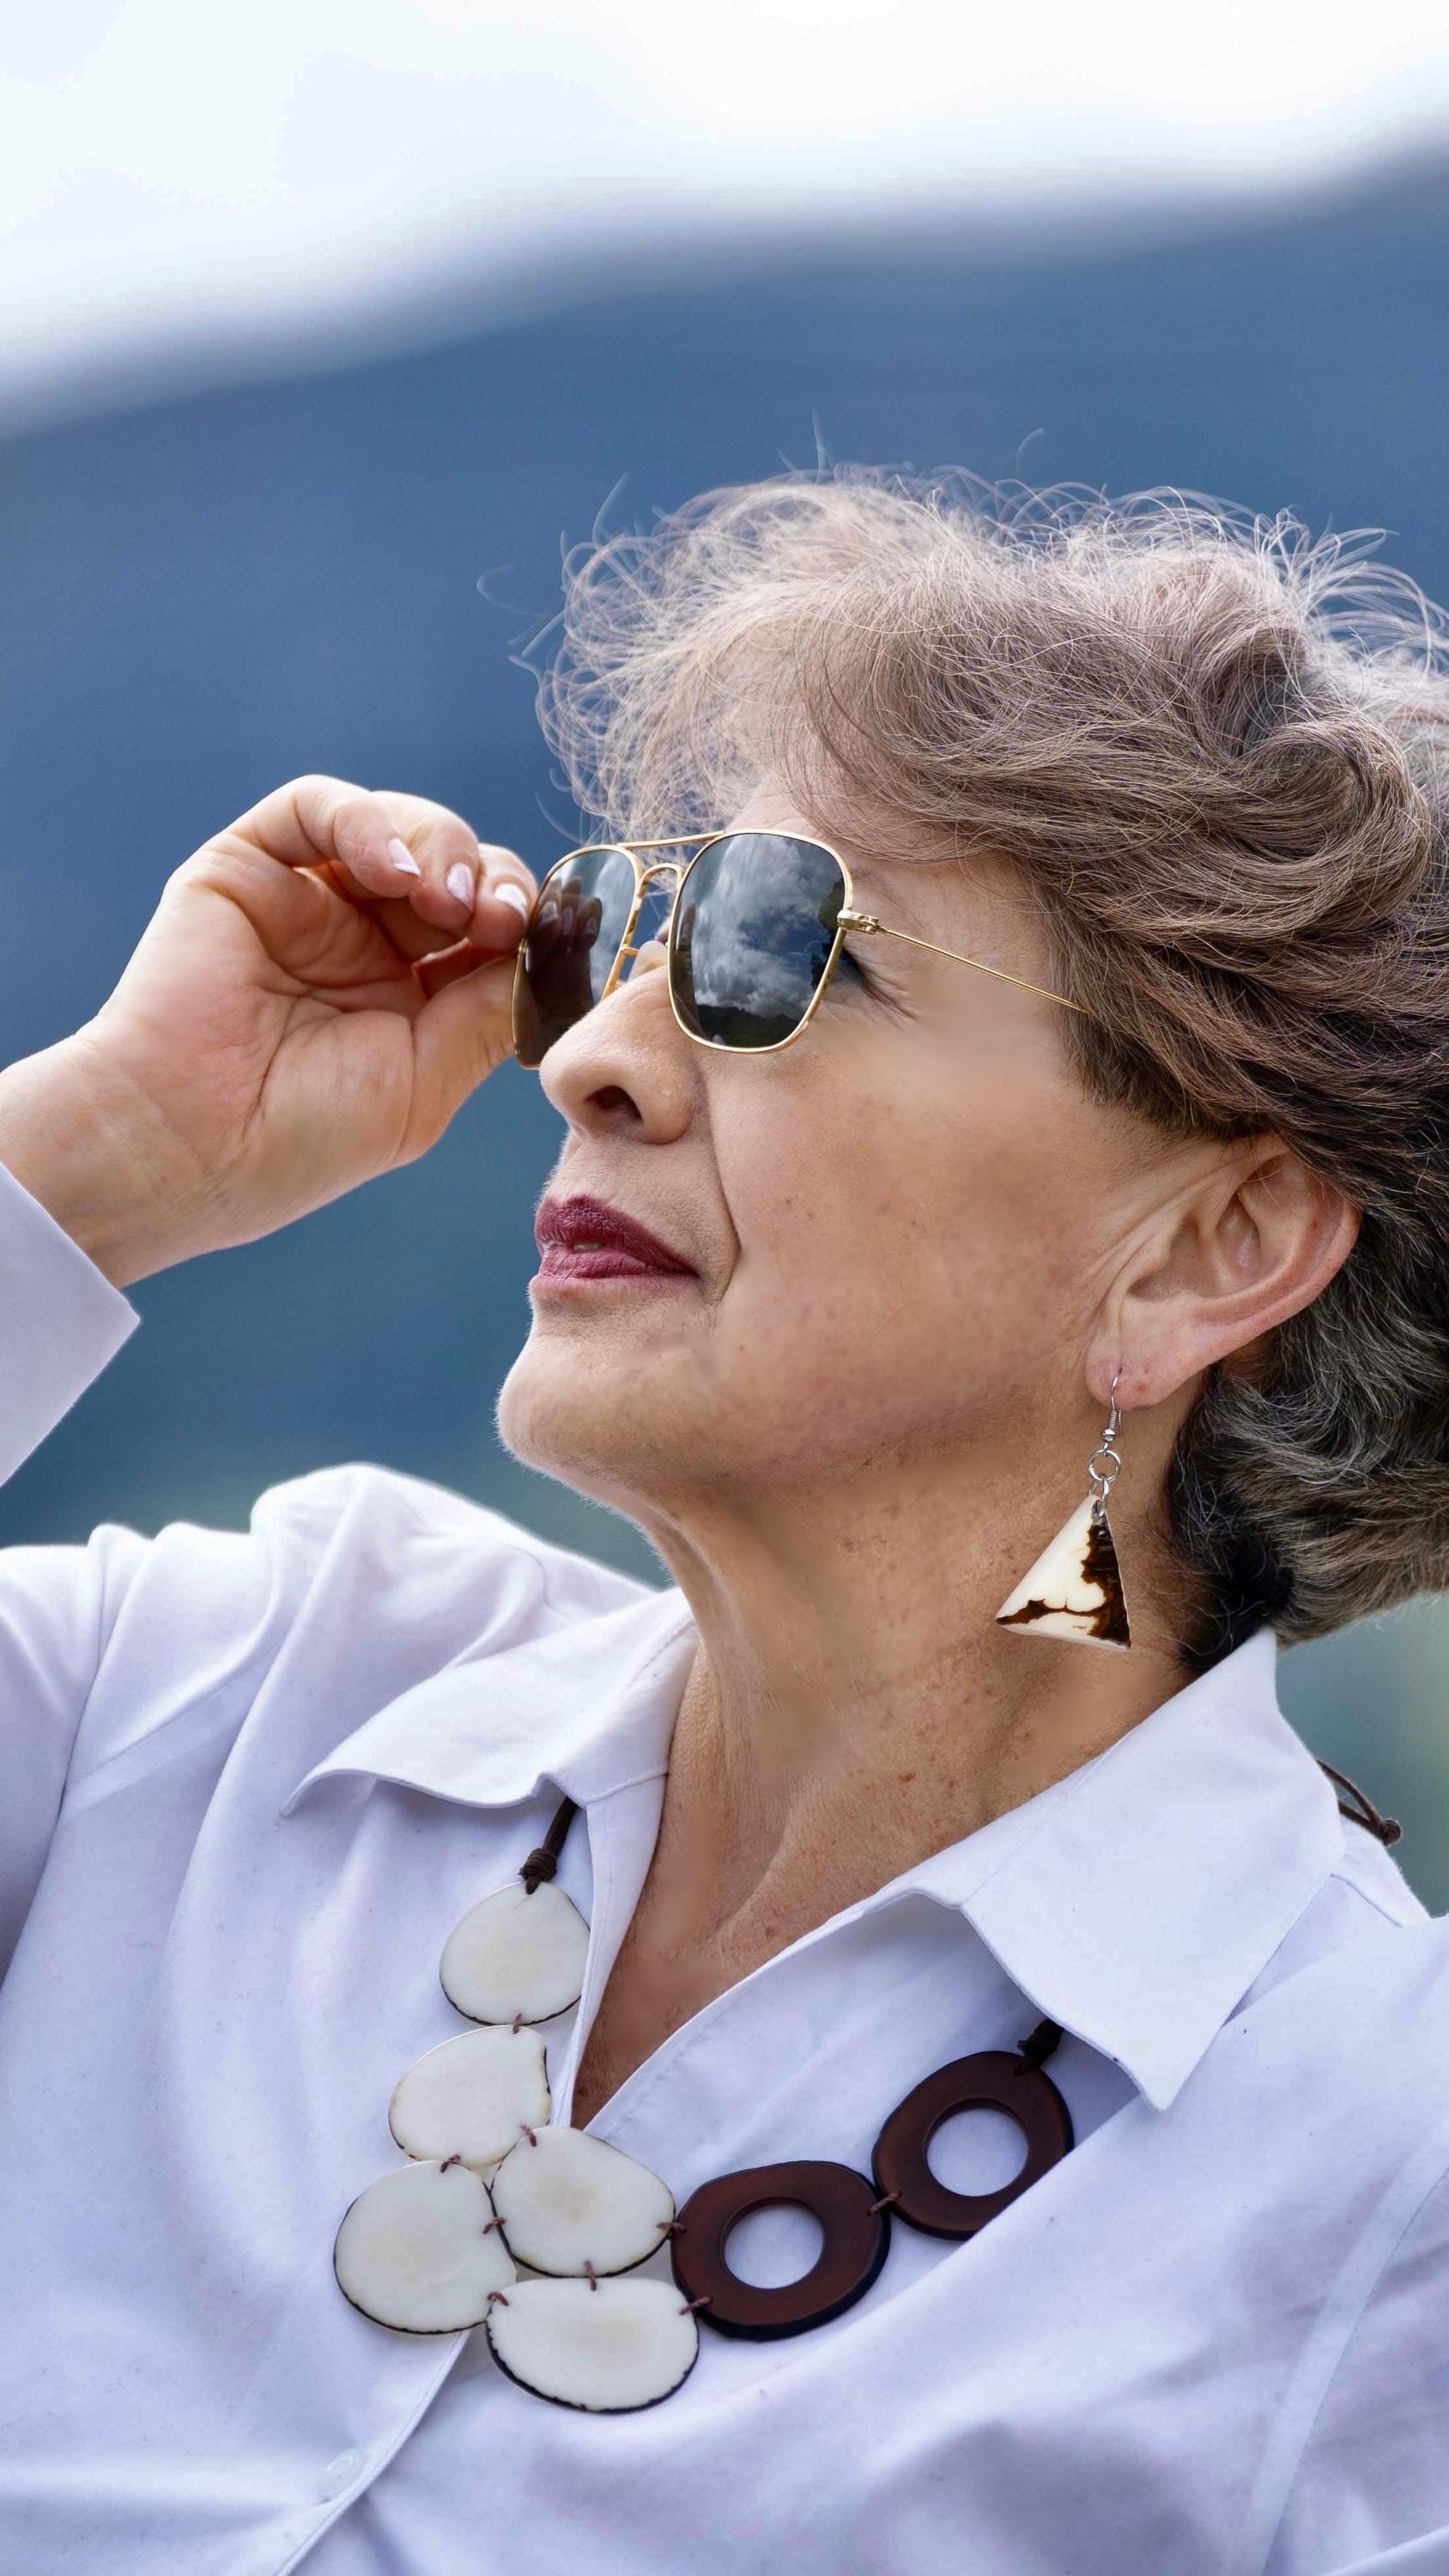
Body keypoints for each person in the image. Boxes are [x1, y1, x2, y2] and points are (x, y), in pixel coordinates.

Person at [0, 469, 1446, 2575]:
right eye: (626, 934)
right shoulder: (218, 1692)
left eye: (789, 954)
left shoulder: (1386, 2179)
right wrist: (98, 1153)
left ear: (1201, 1251)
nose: (589, 1055)